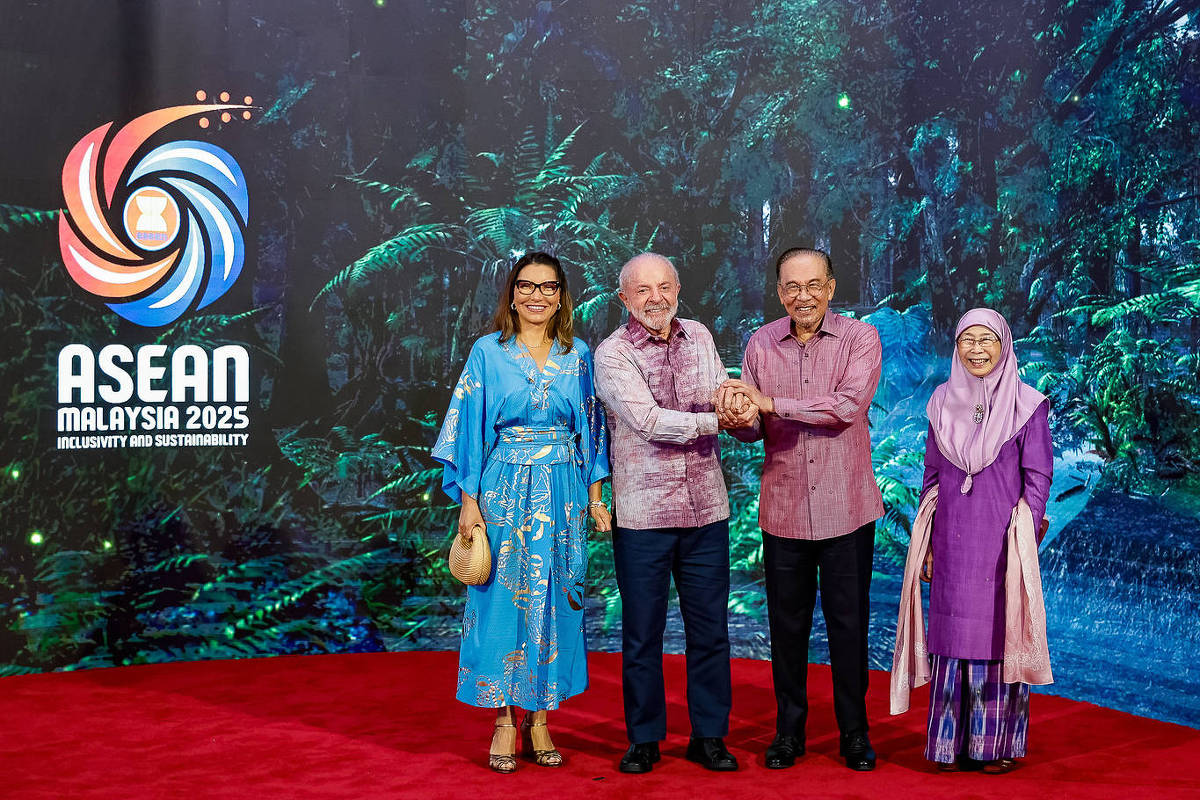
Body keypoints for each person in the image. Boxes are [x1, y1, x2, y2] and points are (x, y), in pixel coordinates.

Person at [432, 251, 612, 773]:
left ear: (561, 297)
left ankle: (541, 719)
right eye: (526, 286)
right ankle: (504, 720)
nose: (537, 295)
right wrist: (469, 505)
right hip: (503, 491)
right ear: (512, 294)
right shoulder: (487, 352)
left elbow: (593, 431)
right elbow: (468, 429)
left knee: (556, 600)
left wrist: (596, 499)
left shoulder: (579, 354)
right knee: (502, 605)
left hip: (563, 491)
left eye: (548, 287)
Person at [718, 247, 883, 771]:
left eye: (813, 285)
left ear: (831, 288)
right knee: (787, 629)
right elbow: (753, 429)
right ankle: (788, 732)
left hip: (846, 509)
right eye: (792, 286)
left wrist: (770, 403)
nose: (803, 296)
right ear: (779, 292)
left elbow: (846, 408)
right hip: (785, 509)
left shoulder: (860, 338)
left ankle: (854, 733)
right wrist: (737, 415)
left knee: (848, 626)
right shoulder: (761, 343)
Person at [594, 253, 756, 774]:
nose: (655, 298)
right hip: (643, 516)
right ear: (624, 298)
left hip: (707, 509)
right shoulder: (612, 353)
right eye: (642, 290)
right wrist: (718, 421)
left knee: (710, 632)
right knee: (642, 634)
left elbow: (721, 392)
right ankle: (644, 739)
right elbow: (648, 422)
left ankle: (709, 736)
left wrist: (736, 406)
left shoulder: (700, 336)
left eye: (664, 286)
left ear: (678, 289)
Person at [897, 308, 1053, 773]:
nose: (977, 349)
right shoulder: (940, 402)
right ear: (956, 347)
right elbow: (931, 477)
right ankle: (949, 744)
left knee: (996, 634)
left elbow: (1038, 479)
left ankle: (993, 746)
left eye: (987, 340)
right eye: (968, 340)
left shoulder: (1028, 405)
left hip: (1001, 540)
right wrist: (926, 544)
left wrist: (1025, 535)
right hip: (951, 541)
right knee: (952, 634)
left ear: (1005, 346)